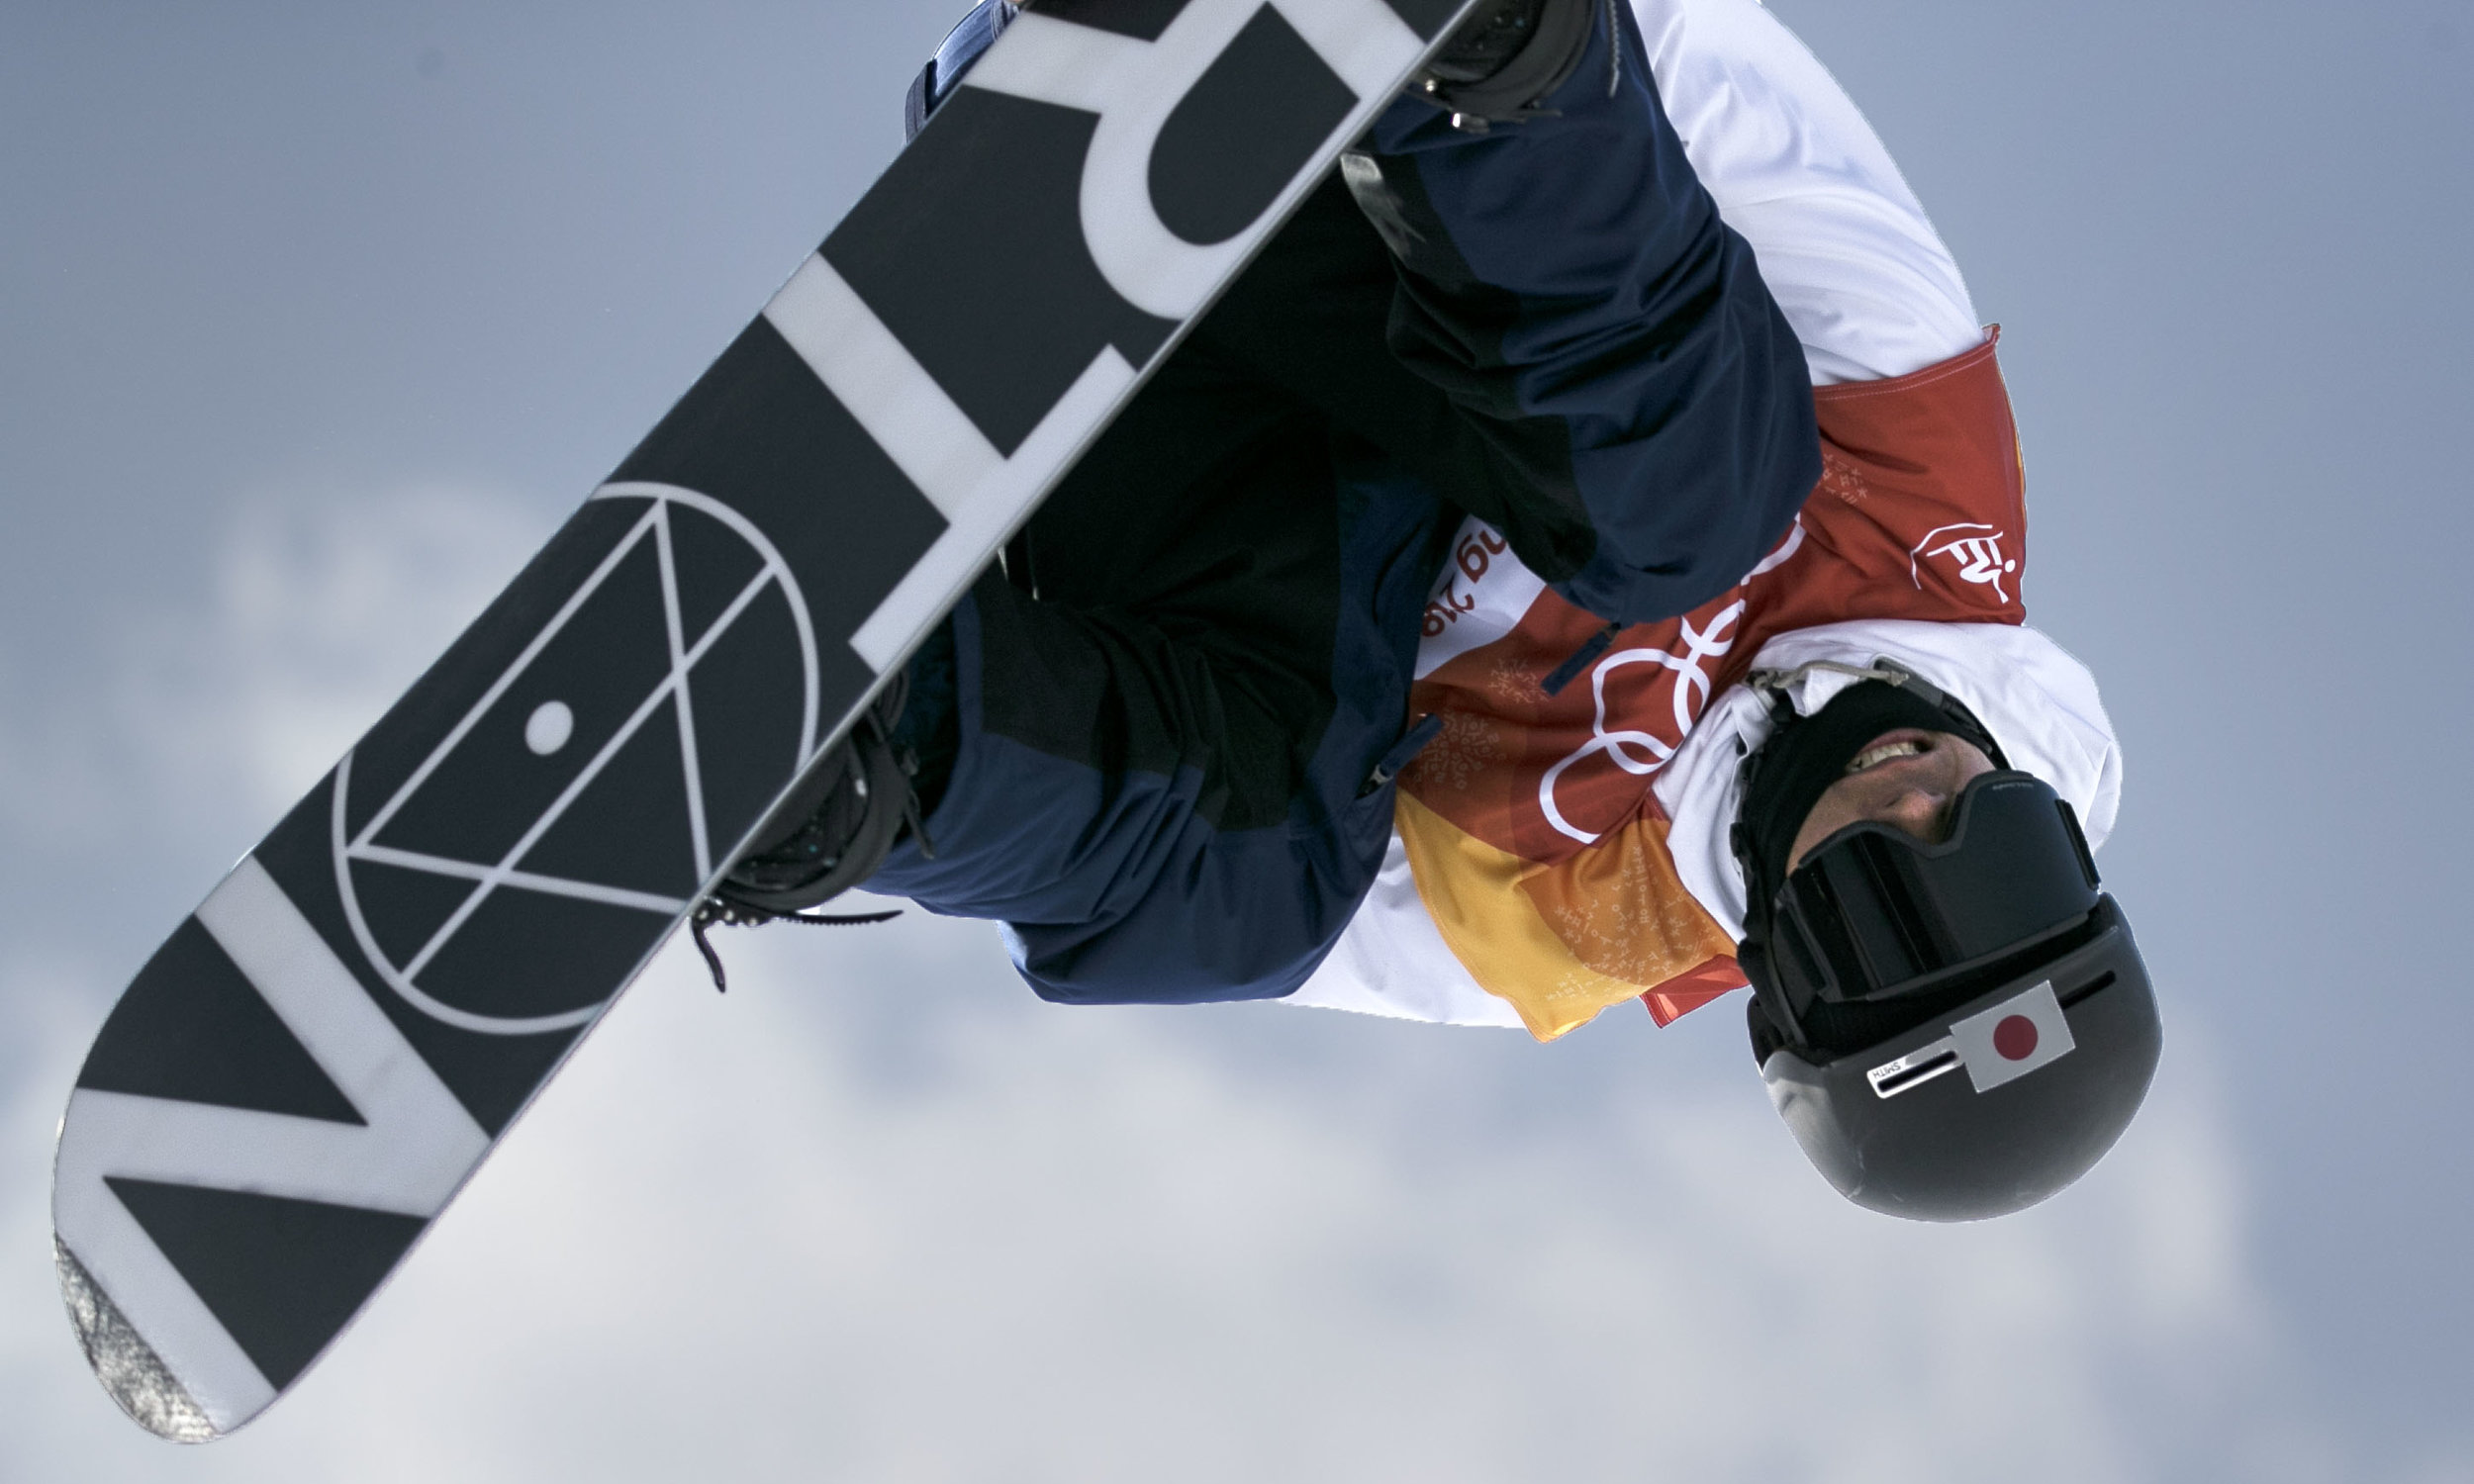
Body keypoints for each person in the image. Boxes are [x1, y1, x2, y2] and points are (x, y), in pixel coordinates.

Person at [706, 0, 2161, 1221]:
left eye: (1879, 910)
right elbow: (1707, 72)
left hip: (1180, 382)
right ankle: (1487, 45)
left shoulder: (1559, 921)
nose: (1920, 808)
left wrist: (902, 801)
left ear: (1781, 958)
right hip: (1369, 161)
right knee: (1696, 507)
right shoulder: (1925, 491)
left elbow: (1171, 867)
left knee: (1267, 900)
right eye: (2007, 858)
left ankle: (825, 747)